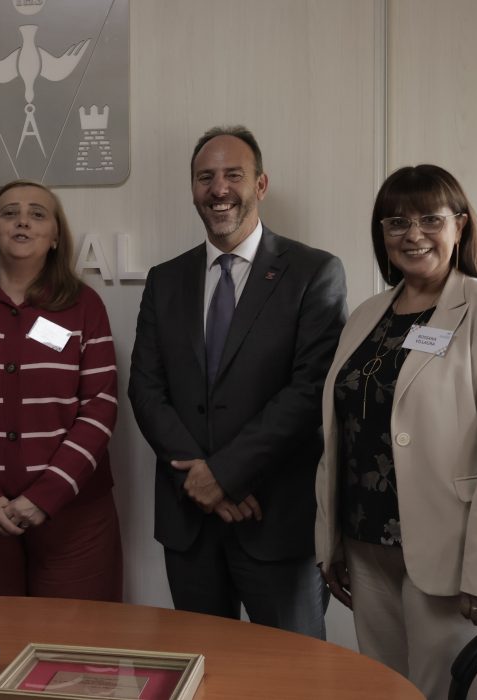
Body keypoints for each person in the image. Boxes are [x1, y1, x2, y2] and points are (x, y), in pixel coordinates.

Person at [315, 164, 477, 699]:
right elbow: (342, 431)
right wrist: (329, 540)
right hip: (368, 544)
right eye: (396, 222)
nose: (412, 234)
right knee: (387, 691)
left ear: (460, 226)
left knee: (451, 693)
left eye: (429, 219)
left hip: (460, 554)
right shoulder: (366, 315)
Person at [128, 126, 346, 637]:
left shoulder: (314, 272)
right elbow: (146, 389)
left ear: (261, 185)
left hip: (275, 518)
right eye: (206, 177)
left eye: (233, 175)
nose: (218, 189)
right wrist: (198, 480)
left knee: (294, 679)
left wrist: (224, 474)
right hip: (190, 523)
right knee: (205, 673)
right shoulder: (166, 280)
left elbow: (310, 389)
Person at [0, 180, 123, 600]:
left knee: (77, 646)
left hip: (74, 516)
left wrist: (46, 496)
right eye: (9, 212)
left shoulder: (84, 306)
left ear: (55, 237)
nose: (23, 221)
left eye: (37, 213)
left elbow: (99, 407)